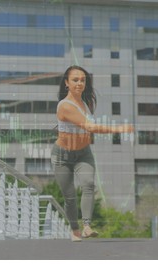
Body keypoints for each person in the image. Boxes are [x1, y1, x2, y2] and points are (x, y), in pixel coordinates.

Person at [51, 65, 134, 242]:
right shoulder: (65, 106)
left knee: (88, 184)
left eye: (83, 80)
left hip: (83, 153)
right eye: (75, 80)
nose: (80, 83)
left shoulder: (86, 103)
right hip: (62, 156)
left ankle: (87, 226)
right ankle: (75, 230)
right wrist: (119, 129)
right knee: (70, 197)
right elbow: (90, 127)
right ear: (66, 83)